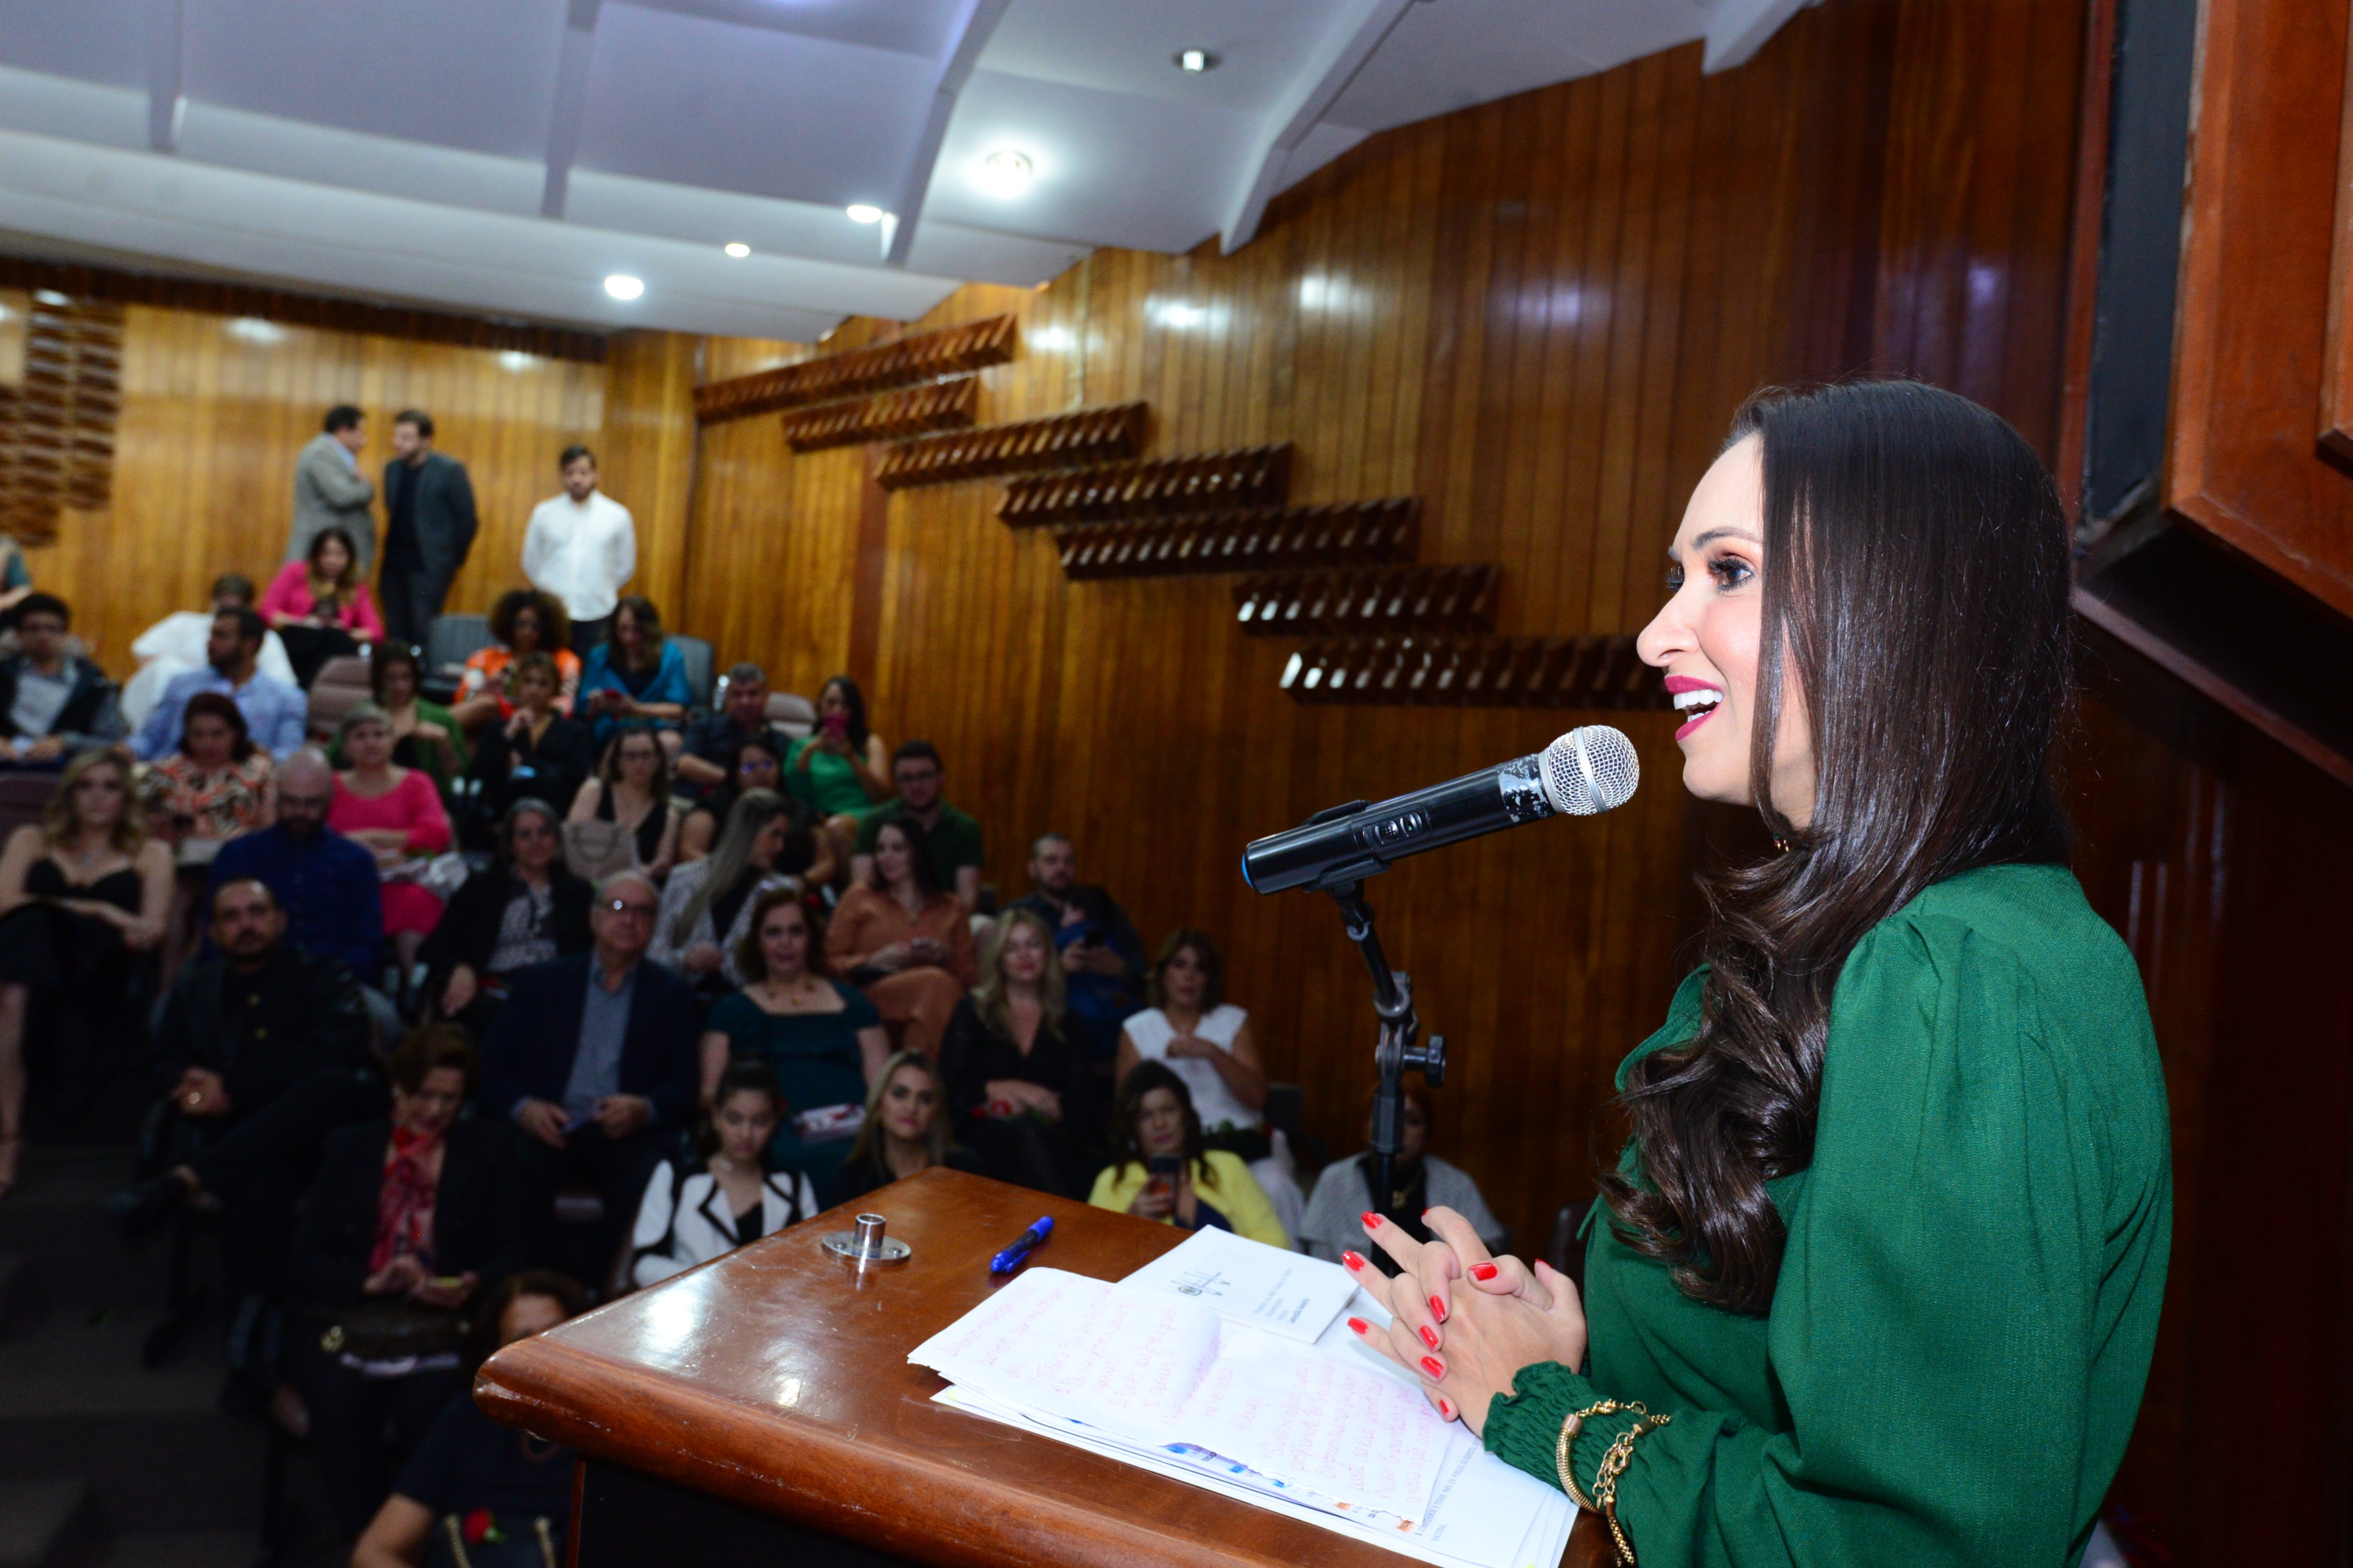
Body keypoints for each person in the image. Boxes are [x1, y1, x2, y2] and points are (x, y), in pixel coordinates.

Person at [1343, 383, 2170, 1567]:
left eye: (1727, 572)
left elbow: (1898, 1542)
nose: (1655, 634)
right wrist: (1578, 1345)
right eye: (1675, 575)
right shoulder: (1864, 934)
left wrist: (1549, 1413)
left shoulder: (1954, 982)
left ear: (1896, 608)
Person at [289, 1027, 538, 1539]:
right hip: (351, 1317)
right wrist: (371, 1281)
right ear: (398, 1089)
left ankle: (425, 1541)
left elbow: (518, 1249)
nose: (436, 1109)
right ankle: (368, 1544)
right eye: (425, 1095)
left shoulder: (487, 1150)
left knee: (431, 1404)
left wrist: (470, 1283)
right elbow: (304, 1259)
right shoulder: (351, 1148)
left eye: (450, 1099)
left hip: (443, 1321)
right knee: (338, 1402)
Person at [123, 878, 374, 1325]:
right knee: (259, 1181)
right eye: (231, 917)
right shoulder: (195, 989)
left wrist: (233, 1089)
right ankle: (255, 1330)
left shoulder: (325, 976)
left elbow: (333, 1056)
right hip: (235, 1133)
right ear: (214, 932)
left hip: (316, 1136)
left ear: (281, 920)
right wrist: (191, 1089)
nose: (246, 925)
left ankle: (191, 1178)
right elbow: (162, 1062)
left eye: (257, 912)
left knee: (332, 1088)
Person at [478, 871, 699, 1278]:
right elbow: (491, 1062)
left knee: (655, 1170)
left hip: (624, 1133)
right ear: (593, 917)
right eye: (617, 907)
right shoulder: (541, 982)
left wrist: (645, 1108)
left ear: (654, 925)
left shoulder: (672, 995)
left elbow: (686, 1084)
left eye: (642, 911)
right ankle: (544, 1284)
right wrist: (525, 1108)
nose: (628, 919)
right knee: (510, 1160)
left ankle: (599, 1288)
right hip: (548, 1125)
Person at [0, 750, 171, 1188]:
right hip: (29, 964)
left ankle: (8, 1137)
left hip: (101, 971)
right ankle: (9, 1133)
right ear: (69, 794)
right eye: (85, 786)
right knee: (28, 939)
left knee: (21, 967)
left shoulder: (150, 852)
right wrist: (92, 907)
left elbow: (152, 930)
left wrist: (102, 918)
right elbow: (4, 902)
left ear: (126, 798)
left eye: (110, 787)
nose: (97, 797)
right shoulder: (31, 840)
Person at [349, 1270, 586, 1568]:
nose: (544, 1355)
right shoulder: (470, 1418)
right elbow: (374, 1552)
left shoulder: (606, 1431)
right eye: (522, 1342)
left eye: (555, 1336)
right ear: (494, 1354)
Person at [699, 889, 888, 1206]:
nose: (785, 943)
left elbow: (882, 1086)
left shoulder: (854, 1004)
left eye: (795, 932)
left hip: (851, 1133)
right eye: (774, 933)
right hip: (770, 1133)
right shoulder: (731, 1011)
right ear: (758, 943)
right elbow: (710, 1093)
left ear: (811, 939)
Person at [1115, 928, 1303, 1240]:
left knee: (1275, 1186)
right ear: (1162, 973)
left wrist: (1213, 1053)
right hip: (1166, 1152)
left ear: (1210, 978)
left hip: (1241, 1149)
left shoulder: (1232, 1020)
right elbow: (1127, 1111)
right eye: (1180, 965)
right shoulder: (1138, 1028)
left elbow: (1257, 1099)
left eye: (1199, 968)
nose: (1188, 977)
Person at [936, 908, 1095, 1198]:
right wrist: (999, 1088)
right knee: (1021, 1135)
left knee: (1040, 1139)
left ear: (1048, 953)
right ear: (999, 959)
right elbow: (946, 1084)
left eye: (1032, 945)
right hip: (982, 1135)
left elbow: (1084, 1103)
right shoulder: (973, 1012)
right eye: (1012, 948)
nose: (1024, 955)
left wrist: (1052, 1107)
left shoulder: (1067, 1021)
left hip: (1053, 1138)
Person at [629, 1055, 817, 1288]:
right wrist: (717, 1283)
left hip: (772, 1307)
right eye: (734, 1119)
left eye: (760, 1121)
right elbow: (644, 1264)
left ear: (775, 1121)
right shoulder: (675, 1176)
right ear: (715, 1117)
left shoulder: (794, 1184)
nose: (746, 1134)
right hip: (694, 1305)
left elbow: (811, 1266)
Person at [209, 749, 385, 985]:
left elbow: (367, 941)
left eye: (311, 803)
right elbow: (215, 934)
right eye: (290, 802)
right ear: (276, 797)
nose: (300, 812)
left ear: (330, 798)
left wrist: (332, 982)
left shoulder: (355, 861)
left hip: (335, 984)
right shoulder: (238, 855)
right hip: (250, 981)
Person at [419, 799, 593, 1033]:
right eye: (525, 835)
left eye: (544, 833)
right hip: (497, 989)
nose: (536, 842)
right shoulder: (482, 888)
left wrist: (618, 902)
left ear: (557, 840)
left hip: (558, 988)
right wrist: (462, 969)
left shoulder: (578, 892)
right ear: (511, 846)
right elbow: (432, 949)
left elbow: (609, 918)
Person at [141, 691, 277, 984]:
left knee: (205, 893)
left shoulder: (258, 772)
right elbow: (137, 827)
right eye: (198, 735)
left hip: (239, 861)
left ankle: (189, 985)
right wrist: (165, 827)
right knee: (184, 894)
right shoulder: (165, 773)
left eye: (217, 734)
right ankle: (172, 986)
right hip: (178, 861)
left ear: (235, 733)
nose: (208, 743)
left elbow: (270, 830)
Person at [1298, 1081, 1502, 1272]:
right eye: (1385, 1117)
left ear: (1427, 1132)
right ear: (1366, 1126)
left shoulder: (1456, 1184)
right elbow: (1318, 1263)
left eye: (1411, 1121)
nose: (1396, 1129)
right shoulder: (1336, 1180)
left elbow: (1485, 1254)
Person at [1090, 1061, 1290, 1249]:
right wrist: (1130, 1225)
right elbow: (1091, 1261)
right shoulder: (1112, 1183)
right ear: (1132, 1126)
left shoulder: (1228, 1166)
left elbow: (1276, 1243)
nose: (1160, 1123)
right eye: (1146, 1116)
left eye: (1168, 1110)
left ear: (1186, 1114)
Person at [825, 817, 974, 1061]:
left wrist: (944, 957)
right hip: (872, 1001)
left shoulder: (951, 907)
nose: (886, 857)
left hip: (931, 1007)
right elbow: (827, 961)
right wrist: (871, 963)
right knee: (935, 983)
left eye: (897, 848)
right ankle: (960, 1077)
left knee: (921, 1028)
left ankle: (921, 1079)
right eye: (881, 849)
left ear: (918, 853)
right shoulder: (860, 897)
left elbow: (969, 980)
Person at [329, 704, 455, 990]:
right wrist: (353, 843)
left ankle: (420, 995)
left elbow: (436, 834)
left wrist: (369, 837)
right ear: (346, 746)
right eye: (361, 736)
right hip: (343, 883)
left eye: (379, 734)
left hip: (401, 880)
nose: (371, 743)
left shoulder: (418, 783)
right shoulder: (330, 787)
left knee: (416, 902)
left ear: (393, 741)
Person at [650, 790, 799, 995]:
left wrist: (728, 966)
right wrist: (686, 959)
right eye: (774, 834)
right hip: (680, 999)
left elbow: (788, 964)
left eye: (783, 837)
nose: (781, 846)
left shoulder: (783, 891)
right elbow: (653, 952)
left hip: (749, 1003)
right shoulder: (683, 879)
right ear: (747, 832)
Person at [1012, 834, 1143, 1060]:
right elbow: (999, 980)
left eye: (1068, 861)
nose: (1061, 868)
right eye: (1051, 861)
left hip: (1108, 1013)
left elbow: (1144, 974)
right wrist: (1057, 969)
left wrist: (1119, 968)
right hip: (1039, 1015)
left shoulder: (1107, 911)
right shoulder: (1017, 916)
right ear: (1032, 869)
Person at [122, 574, 297, 731]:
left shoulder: (266, 639)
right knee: (165, 669)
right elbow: (145, 654)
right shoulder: (184, 623)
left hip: (235, 710)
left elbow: (283, 684)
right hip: (177, 703)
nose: (211, 642)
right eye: (223, 606)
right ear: (214, 601)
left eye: (235, 608)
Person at [132, 606, 307, 762]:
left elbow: (288, 757)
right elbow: (149, 739)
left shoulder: (287, 699)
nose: (210, 642)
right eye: (211, 634)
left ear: (250, 644)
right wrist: (125, 751)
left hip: (247, 782)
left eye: (220, 636)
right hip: (171, 778)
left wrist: (255, 756)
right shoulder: (182, 684)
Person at [521, 444, 635, 659]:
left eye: (583, 473)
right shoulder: (544, 513)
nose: (577, 479)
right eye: (570, 473)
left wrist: (600, 588)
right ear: (562, 476)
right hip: (553, 614)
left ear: (595, 475)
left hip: (598, 613)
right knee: (550, 671)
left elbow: (625, 567)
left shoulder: (617, 516)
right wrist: (550, 590)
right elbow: (531, 561)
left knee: (592, 673)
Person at [378, 409, 479, 649]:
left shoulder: (450, 470)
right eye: (396, 436)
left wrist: (450, 562)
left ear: (426, 440)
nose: (398, 443)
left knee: (423, 629)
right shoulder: (392, 469)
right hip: (393, 565)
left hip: (428, 569)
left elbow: (467, 521)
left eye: (406, 438)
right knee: (395, 629)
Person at [676, 733, 833, 888]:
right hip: (723, 885)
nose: (761, 772)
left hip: (786, 891)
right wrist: (729, 875)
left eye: (768, 764)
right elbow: (689, 850)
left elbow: (826, 862)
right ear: (735, 774)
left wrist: (800, 882)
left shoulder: (799, 810)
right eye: (749, 767)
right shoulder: (714, 806)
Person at [849, 741, 983, 911]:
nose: (916, 786)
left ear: (941, 778)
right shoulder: (873, 821)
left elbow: (968, 899)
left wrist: (935, 923)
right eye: (907, 778)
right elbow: (862, 891)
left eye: (925, 776)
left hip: (946, 916)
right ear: (896, 782)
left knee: (984, 924)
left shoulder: (965, 828)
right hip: (886, 915)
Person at [834, 1049, 983, 1203]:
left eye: (925, 1099)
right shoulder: (853, 1178)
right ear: (878, 1104)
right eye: (900, 1094)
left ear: (936, 1114)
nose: (911, 1108)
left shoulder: (964, 1170)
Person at [466, 652, 594, 828]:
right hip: (503, 817)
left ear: (555, 689)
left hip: (554, 816)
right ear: (518, 685)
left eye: (543, 683)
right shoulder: (498, 729)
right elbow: (479, 775)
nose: (534, 690)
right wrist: (509, 734)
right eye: (528, 681)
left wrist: (525, 764)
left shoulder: (575, 732)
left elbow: (575, 779)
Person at [0, 592, 123, 767]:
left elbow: (113, 741)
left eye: (52, 629)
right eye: (33, 629)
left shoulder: (93, 683)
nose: (43, 636)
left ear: (65, 635)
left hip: (69, 772)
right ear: (18, 635)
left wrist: (65, 743)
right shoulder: (3, 673)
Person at [783, 674, 890, 866]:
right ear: (820, 707)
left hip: (861, 815)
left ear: (854, 711)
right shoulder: (802, 747)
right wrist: (809, 751)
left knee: (836, 828)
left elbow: (882, 797)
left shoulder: (869, 743)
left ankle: (858, 885)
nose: (838, 710)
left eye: (845, 705)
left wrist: (851, 757)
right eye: (831, 703)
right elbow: (795, 794)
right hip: (819, 817)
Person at [328, 644, 466, 792]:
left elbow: (459, 779)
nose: (400, 686)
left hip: (419, 797)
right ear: (379, 680)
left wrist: (444, 743)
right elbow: (333, 762)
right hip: (365, 793)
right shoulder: (361, 715)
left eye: (406, 677)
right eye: (391, 679)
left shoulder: (441, 719)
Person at [260, 527, 382, 686]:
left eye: (339, 555)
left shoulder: (356, 586)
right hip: (298, 641)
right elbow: (267, 612)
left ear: (349, 557)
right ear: (316, 555)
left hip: (333, 649)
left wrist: (342, 630)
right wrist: (304, 623)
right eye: (326, 554)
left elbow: (375, 633)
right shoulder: (296, 572)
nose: (332, 560)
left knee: (333, 641)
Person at [575, 595, 693, 753]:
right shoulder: (599, 656)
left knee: (672, 743)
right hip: (611, 731)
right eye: (623, 629)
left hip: (654, 730)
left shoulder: (670, 657)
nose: (629, 638)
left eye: (637, 630)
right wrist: (596, 706)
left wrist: (636, 709)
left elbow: (679, 709)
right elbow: (583, 712)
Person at [451, 589, 579, 734]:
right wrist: (482, 691)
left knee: (489, 705)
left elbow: (566, 706)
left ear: (547, 629)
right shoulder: (484, 658)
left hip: (540, 724)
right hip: (486, 727)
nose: (527, 631)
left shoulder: (564, 661)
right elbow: (463, 699)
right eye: (521, 624)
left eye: (536, 626)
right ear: (509, 624)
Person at [568, 725, 678, 884]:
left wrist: (649, 870)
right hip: (587, 881)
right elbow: (575, 842)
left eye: (646, 755)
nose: (640, 763)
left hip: (633, 888)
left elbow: (662, 862)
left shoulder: (668, 816)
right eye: (631, 756)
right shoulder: (595, 791)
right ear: (618, 761)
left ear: (658, 760)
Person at [675, 662, 791, 797]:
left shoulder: (779, 741)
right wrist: (737, 779)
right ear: (727, 698)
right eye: (737, 695)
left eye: (753, 694)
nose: (745, 702)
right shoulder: (705, 727)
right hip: (699, 800)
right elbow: (685, 764)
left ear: (766, 696)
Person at [289, 404, 377, 573]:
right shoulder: (321, 453)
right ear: (343, 430)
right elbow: (342, 496)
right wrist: (367, 486)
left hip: (333, 550)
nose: (364, 441)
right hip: (324, 549)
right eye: (360, 433)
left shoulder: (334, 454)